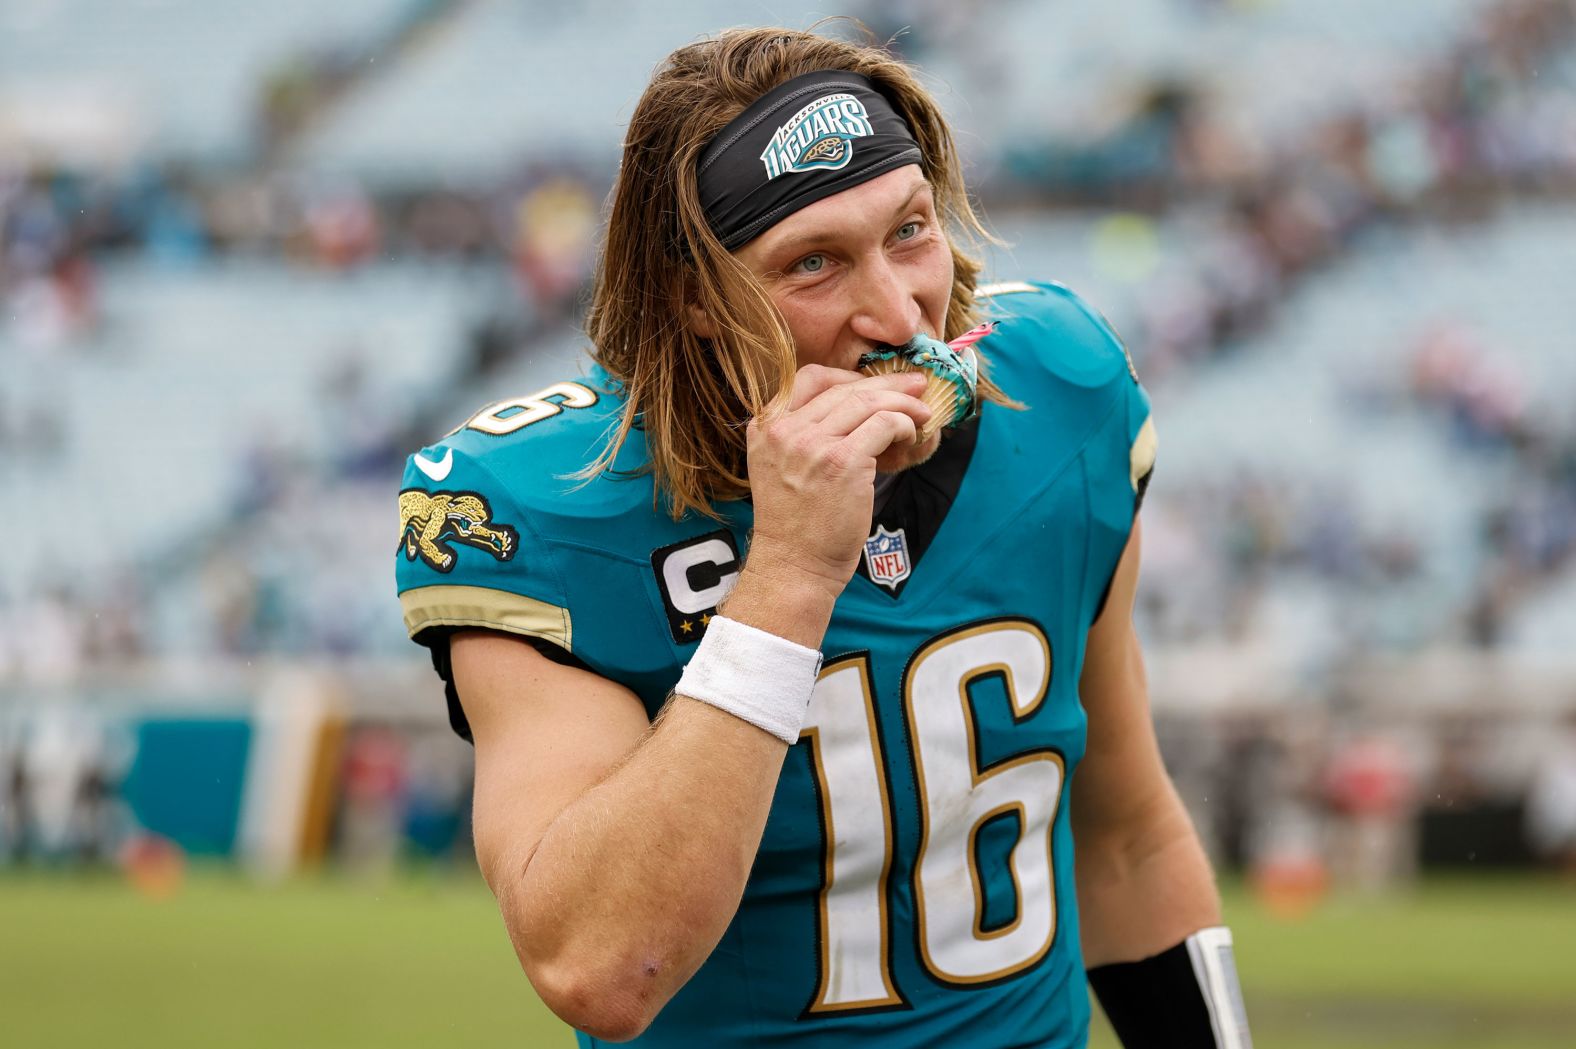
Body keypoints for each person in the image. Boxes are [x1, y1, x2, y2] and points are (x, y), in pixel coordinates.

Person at [395, 25, 1249, 1049]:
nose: (898, 313)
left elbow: (1121, 839)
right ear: (695, 300)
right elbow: (598, 966)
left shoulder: (1060, 388)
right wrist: (790, 571)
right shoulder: (545, 503)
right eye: (814, 262)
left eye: (909, 230)